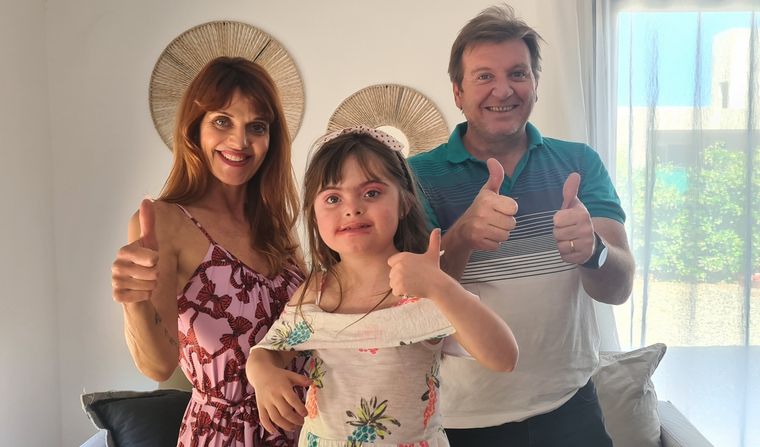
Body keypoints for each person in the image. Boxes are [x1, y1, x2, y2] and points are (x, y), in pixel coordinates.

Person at [407, 4, 636, 447]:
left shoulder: (579, 161)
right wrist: (462, 237)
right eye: (484, 76)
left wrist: (594, 251)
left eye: (518, 73)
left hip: (570, 405)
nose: (503, 89)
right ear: (457, 92)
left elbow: (619, 288)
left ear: (535, 84)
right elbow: (412, 305)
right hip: (463, 418)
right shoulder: (416, 176)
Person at [245, 126, 518, 447]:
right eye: (333, 198)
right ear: (314, 215)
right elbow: (269, 351)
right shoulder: (315, 292)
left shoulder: (425, 284)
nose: (352, 208)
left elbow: (504, 358)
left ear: (405, 202)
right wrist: (262, 373)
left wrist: (441, 286)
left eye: (371, 193)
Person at [111, 56, 305, 447]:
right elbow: (158, 365)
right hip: (224, 435)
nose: (240, 141)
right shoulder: (166, 222)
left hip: (303, 429)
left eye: (257, 126)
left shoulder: (275, 224)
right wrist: (134, 302)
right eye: (222, 121)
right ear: (194, 129)